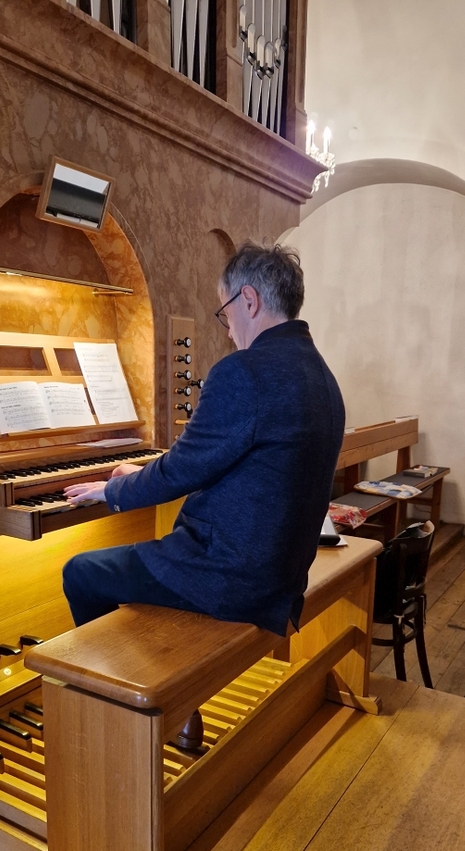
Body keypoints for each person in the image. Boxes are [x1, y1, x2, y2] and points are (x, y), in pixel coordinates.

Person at [62, 241, 345, 637]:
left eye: (224, 313)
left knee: (80, 572)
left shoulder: (245, 371)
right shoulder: (320, 374)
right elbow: (233, 465)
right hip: (282, 573)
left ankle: (124, 676)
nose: (228, 330)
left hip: (229, 575)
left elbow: (181, 469)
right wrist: (139, 475)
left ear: (249, 300)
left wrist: (113, 490)